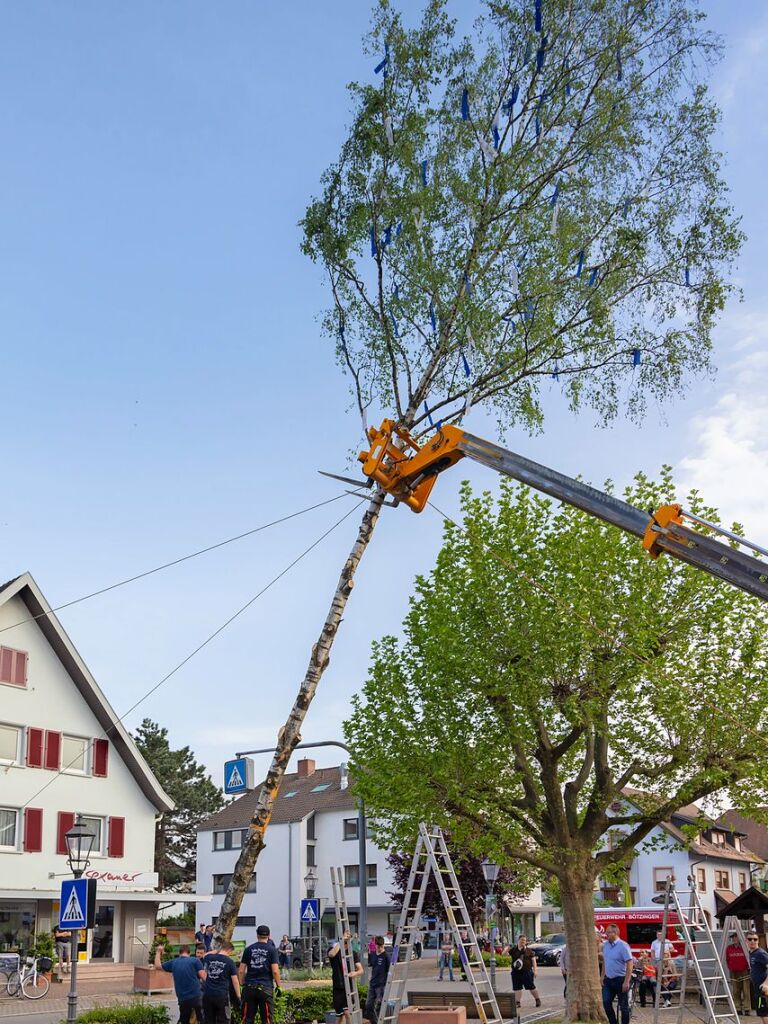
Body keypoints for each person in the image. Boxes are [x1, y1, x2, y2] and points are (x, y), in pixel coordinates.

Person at [239, 924, 280, 1024]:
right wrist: (278, 986)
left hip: (249, 987)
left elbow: (241, 970)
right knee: (267, 1019)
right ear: (269, 936)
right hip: (265, 988)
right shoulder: (272, 950)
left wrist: (241, 984)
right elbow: (275, 971)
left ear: (257, 935)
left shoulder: (248, 949)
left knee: (247, 1018)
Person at [156, 944, 206, 1024]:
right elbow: (204, 977)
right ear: (189, 953)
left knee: (184, 1020)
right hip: (196, 996)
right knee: (201, 1018)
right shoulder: (195, 961)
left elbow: (158, 966)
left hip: (183, 998)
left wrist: (158, 952)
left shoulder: (173, 962)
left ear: (179, 953)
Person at [600, 923, 633, 1024]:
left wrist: (626, 981)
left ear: (615, 933)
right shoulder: (605, 945)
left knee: (623, 1006)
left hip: (621, 979)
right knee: (606, 1002)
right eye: (606, 932)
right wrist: (602, 977)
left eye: (608, 932)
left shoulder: (623, 946)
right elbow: (605, 962)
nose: (606, 934)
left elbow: (630, 963)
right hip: (608, 980)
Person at [329, 930, 363, 1024]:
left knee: (348, 1013)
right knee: (339, 1016)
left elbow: (361, 970)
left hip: (348, 987)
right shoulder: (335, 950)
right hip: (338, 987)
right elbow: (331, 954)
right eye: (344, 941)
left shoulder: (353, 954)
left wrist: (355, 973)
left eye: (347, 940)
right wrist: (341, 941)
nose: (346, 943)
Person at [203, 940, 241, 1024]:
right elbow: (235, 981)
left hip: (208, 995)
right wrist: (238, 996)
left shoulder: (210, 958)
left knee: (209, 1020)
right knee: (224, 1020)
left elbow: (205, 955)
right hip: (221, 996)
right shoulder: (230, 962)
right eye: (231, 952)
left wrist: (216, 951)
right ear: (229, 950)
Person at [511, 934, 541, 1010]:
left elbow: (533, 961)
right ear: (518, 940)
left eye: (524, 940)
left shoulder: (529, 951)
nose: (523, 942)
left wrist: (535, 970)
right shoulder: (514, 950)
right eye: (522, 940)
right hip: (516, 972)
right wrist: (507, 948)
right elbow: (504, 954)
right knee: (517, 988)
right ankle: (517, 1002)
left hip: (527, 972)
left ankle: (537, 999)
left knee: (531, 986)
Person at [365, 936, 391, 1024]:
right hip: (372, 984)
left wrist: (388, 983)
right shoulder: (372, 955)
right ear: (375, 945)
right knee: (368, 1006)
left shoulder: (386, 956)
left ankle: (380, 1021)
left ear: (383, 945)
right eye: (378, 946)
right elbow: (370, 965)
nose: (379, 948)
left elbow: (390, 971)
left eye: (381, 946)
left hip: (381, 985)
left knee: (379, 1006)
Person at [726, 931, 751, 1015]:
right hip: (734, 972)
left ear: (739, 938)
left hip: (744, 971)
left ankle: (747, 1009)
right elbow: (727, 960)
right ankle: (738, 1008)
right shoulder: (729, 948)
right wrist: (730, 968)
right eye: (733, 937)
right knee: (736, 991)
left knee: (746, 991)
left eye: (735, 937)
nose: (734, 939)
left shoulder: (744, 947)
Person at [747, 932, 768, 1019]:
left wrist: (766, 983)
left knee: (764, 1013)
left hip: (763, 990)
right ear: (746, 941)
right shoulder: (751, 953)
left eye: (755, 939)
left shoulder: (760, 953)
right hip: (757, 990)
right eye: (750, 939)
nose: (752, 941)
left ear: (758, 941)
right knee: (761, 1013)